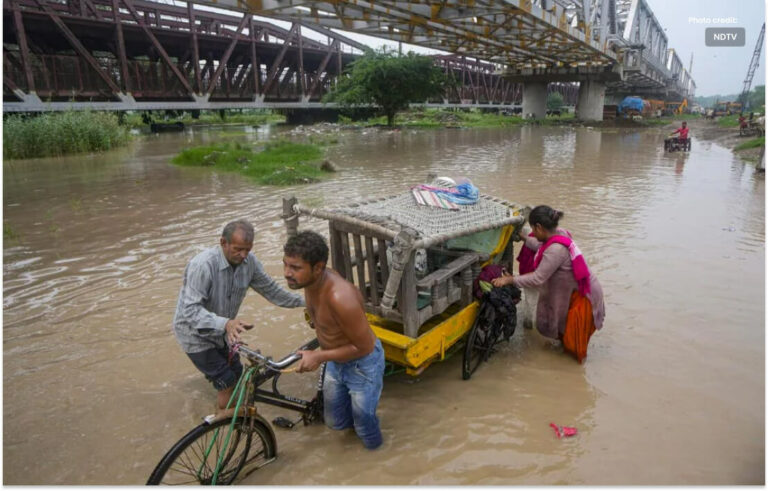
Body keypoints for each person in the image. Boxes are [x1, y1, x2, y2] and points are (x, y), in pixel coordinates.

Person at [173, 219, 305, 414]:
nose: (243, 255)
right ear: (223, 243)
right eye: (238, 249)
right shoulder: (203, 266)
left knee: (238, 373)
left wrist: (306, 302)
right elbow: (190, 312)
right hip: (194, 334)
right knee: (226, 380)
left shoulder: (249, 264)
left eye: (247, 250)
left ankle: (232, 414)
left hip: (224, 331)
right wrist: (226, 323)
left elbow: (273, 292)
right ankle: (225, 424)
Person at [283, 231, 385, 450]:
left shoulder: (340, 297)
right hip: (335, 361)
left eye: (295, 268)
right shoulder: (311, 281)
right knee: (335, 421)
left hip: (362, 364)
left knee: (365, 424)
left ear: (318, 267)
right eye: (285, 265)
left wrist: (319, 356)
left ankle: (375, 459)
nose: (287, 273)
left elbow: (364, 346)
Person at [492, 206, 605, 363]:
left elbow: (538, 278)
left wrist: (510, 279)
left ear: (538, 227)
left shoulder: (555, 250)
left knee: (574, 343)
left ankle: (570, 371)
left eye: (533, 229)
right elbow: (539, 245)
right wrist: (524, 238)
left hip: (584, 295)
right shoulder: (560, 234)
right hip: (577, 290)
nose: (533, 233)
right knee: (565, 332)